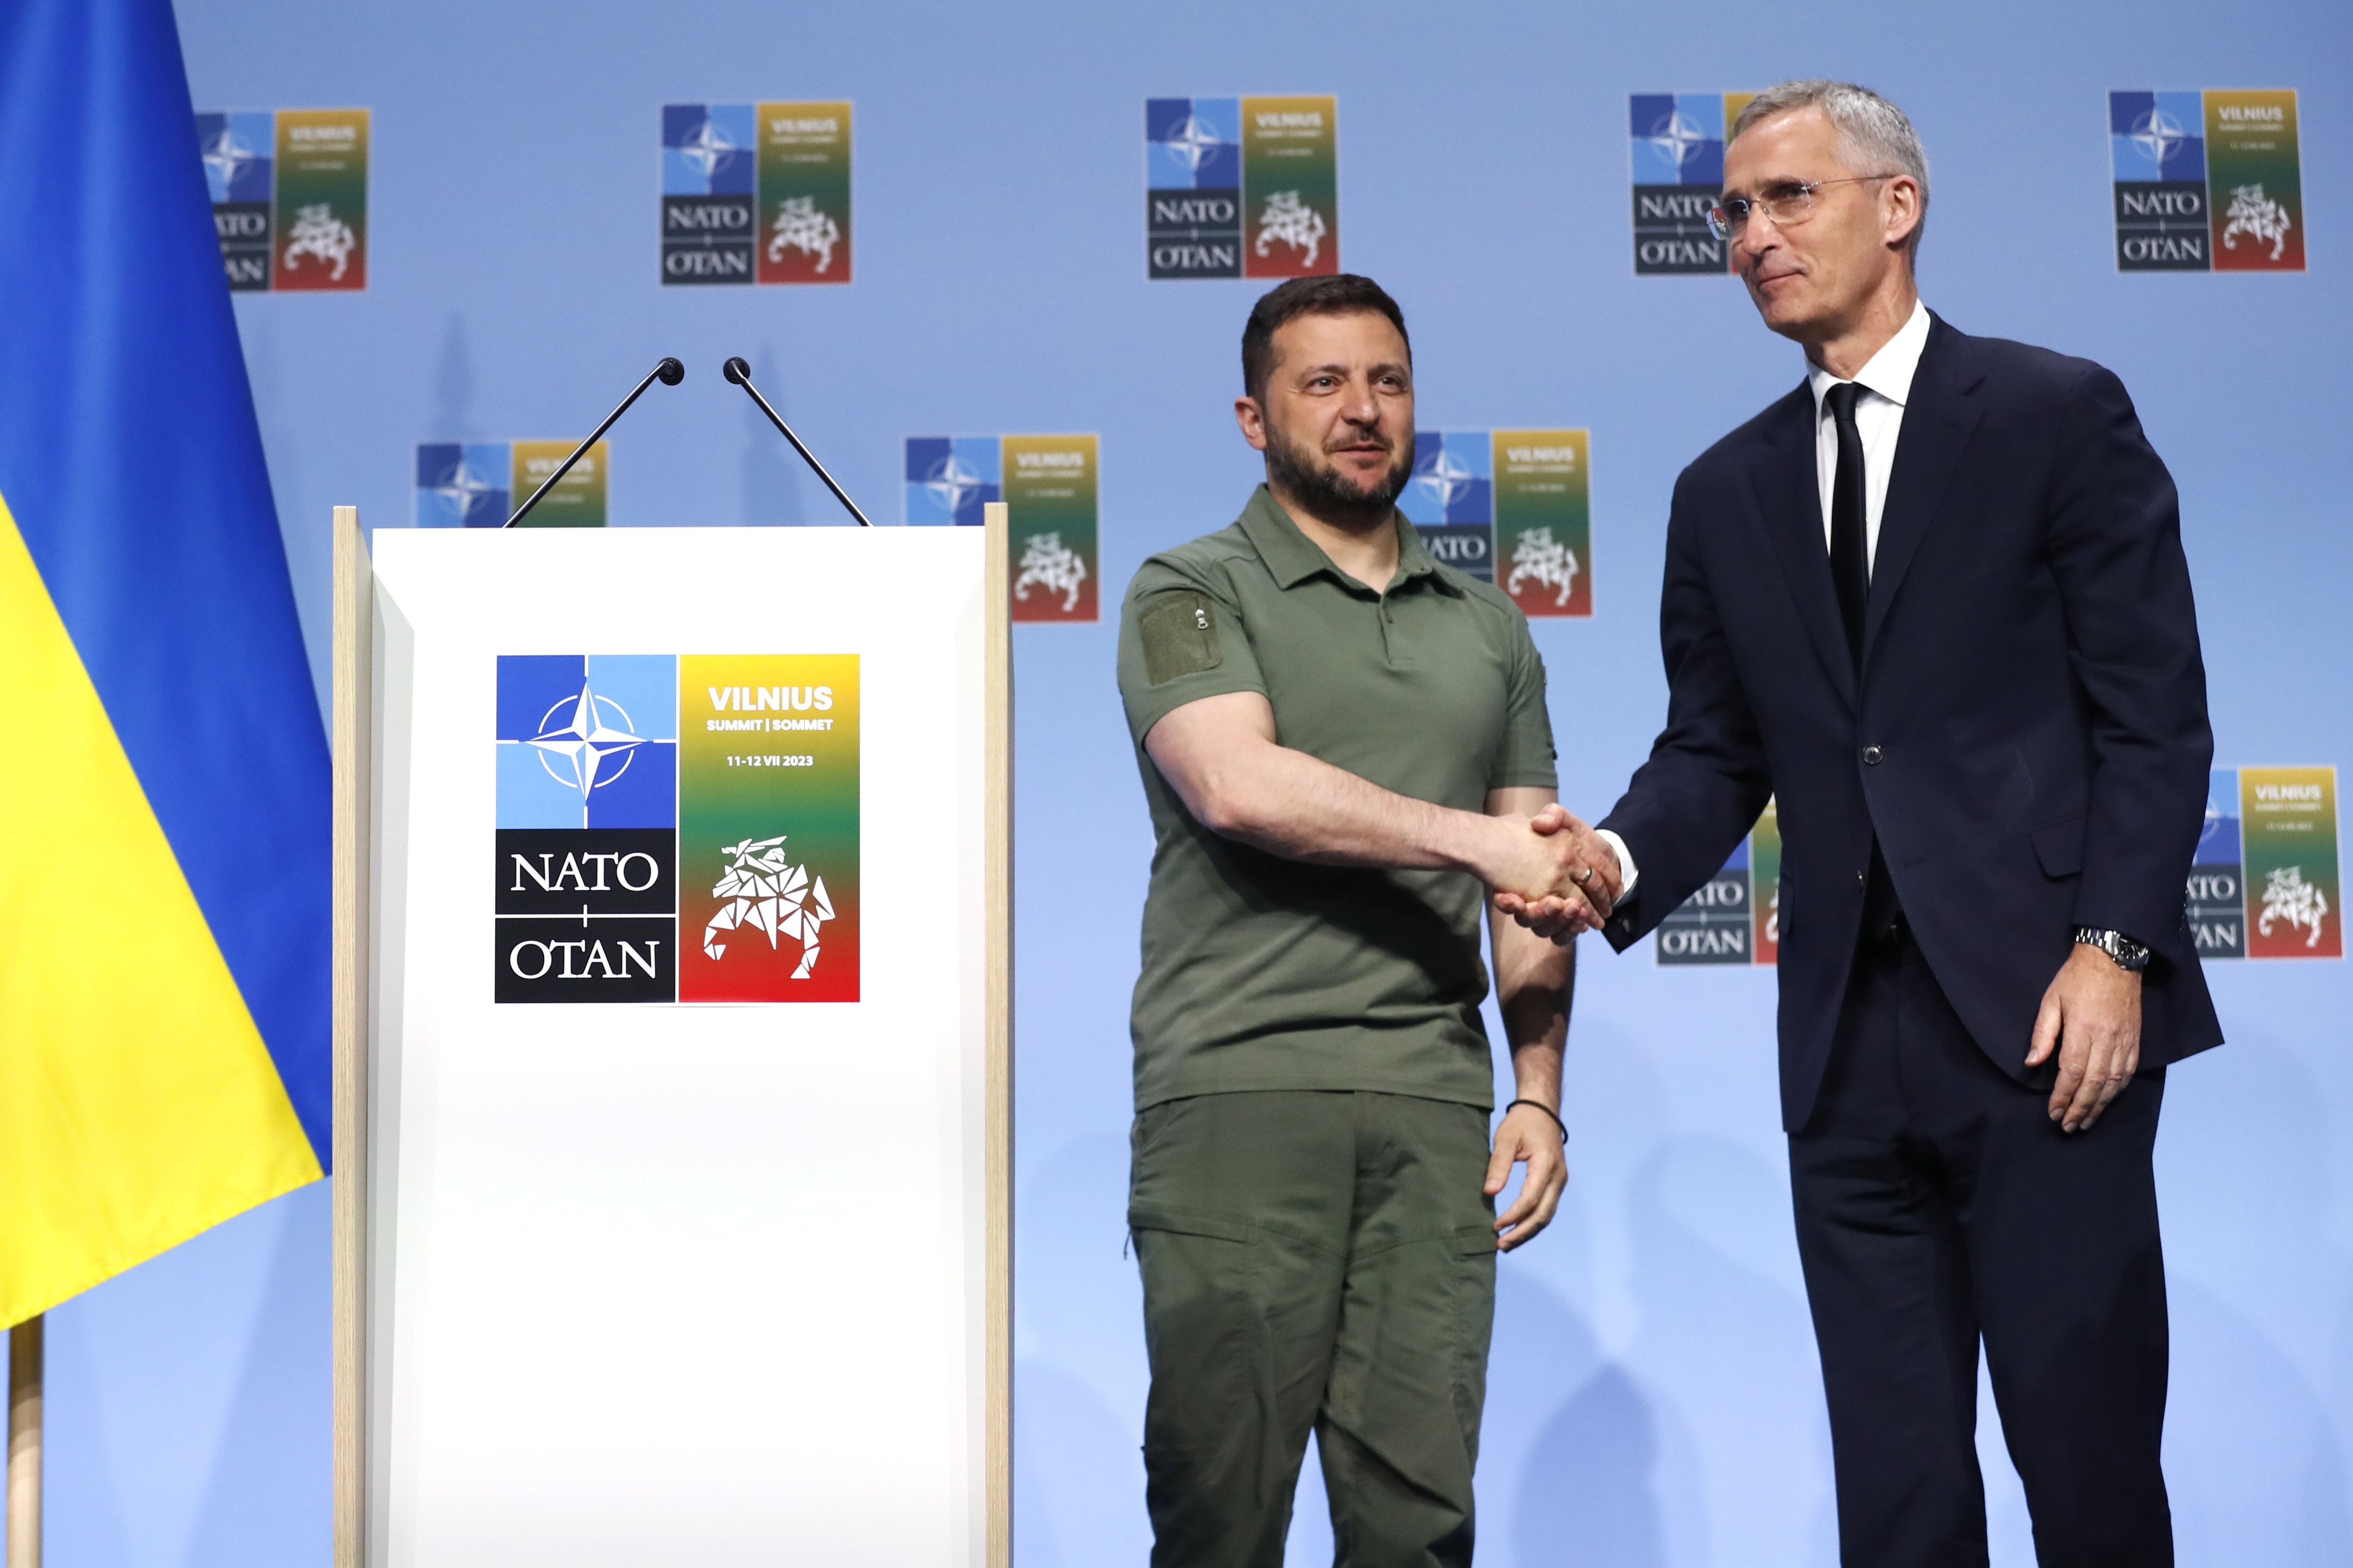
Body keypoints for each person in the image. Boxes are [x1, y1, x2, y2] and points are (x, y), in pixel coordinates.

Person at [1506, 79, 2221, 1566]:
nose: (1752, 235)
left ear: (1896, 208)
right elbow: (1714, 750)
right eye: (1731, 212)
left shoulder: (2050, 412)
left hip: (2043, 1020)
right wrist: (1614, 862)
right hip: (1843, 1049)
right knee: (1892, 1494)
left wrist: (2113, 949)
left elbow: (2152, 717)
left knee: (2082, 1462)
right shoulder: (1721, 492)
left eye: (1787, 198)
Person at [1115, 273, 1590, 1567]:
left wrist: (1536, 1091)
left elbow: (1533, 876)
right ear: (1253, 417)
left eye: (1386, 380)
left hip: (1435, 1116)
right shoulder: (1187, 586)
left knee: (1420, 1527)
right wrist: (1474, 839)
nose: (1362, 410)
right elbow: (1235, 783)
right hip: (1238, 1098)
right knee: (1221, 1516)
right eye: (1322, 384)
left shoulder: (1488, 624)